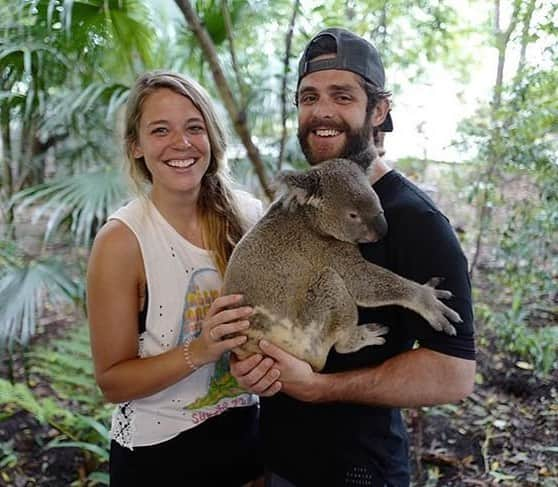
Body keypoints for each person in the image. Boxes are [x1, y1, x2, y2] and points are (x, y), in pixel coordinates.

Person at [231, 28, 476, 486]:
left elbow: (454, 375)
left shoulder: (419, 222)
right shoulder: (303, 199)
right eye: (309, 97)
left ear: (379, 111)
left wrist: (318, 389)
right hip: (277, 458)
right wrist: (245, 359)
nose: (321, 111)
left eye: (342, 96)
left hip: (358, 471)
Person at [87, 70, 264, 486]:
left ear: (212, 138)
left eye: (194, 128)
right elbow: (112, 382)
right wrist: (200, 350)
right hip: (159, 453)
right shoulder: (122, 240)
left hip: (248, 434)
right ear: (136, 146)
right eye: (160, 130)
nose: (181, 143)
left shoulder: (249, 216)